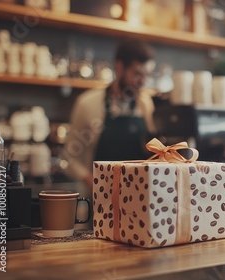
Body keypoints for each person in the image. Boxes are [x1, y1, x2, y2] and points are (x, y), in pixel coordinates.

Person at [62, 39, 157, 188]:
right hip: (102, 198)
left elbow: (152, 152)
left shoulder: (146, 104)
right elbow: (70, 157)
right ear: (119, 67)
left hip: (139, 196)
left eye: (147, 75)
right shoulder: (88, 104)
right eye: (138, 74)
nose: (143, 82)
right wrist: (94, 182)